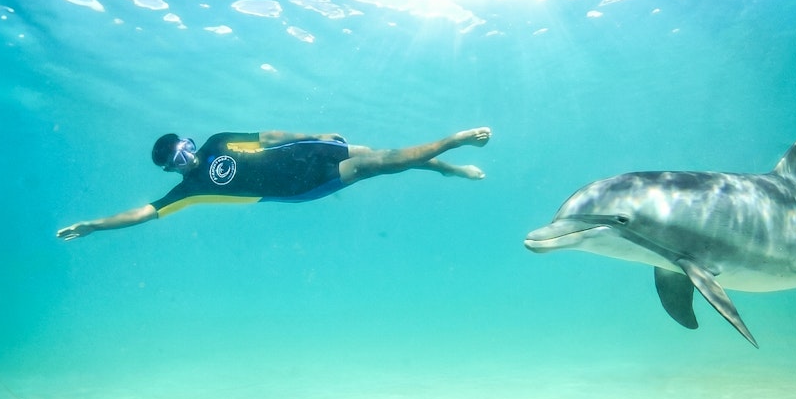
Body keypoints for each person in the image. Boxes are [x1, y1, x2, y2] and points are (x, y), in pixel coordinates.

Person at [57, 127, 492, 240]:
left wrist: (320, 137)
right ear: (171, 169)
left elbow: (270, 138)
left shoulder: (219, 141)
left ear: (190, 140)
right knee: (381, 162)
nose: (187, 157)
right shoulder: (186, 191)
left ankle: (448, 169)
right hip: (303, 184)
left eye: (185, 146)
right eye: (178, 159)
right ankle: (453, 144)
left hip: (308, 152)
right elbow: (144, 212)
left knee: (384, 156)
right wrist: (95, 224)